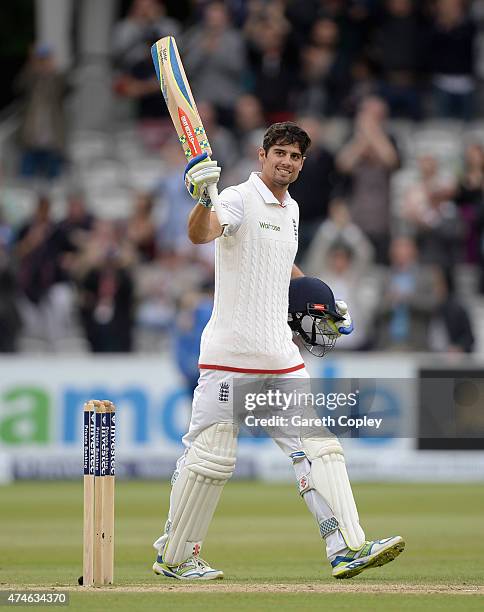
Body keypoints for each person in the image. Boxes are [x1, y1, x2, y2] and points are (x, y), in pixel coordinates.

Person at [151, 122, 405, 580]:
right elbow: (201, 234)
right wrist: (201, 198)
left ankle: (346, 546)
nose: (286, 162)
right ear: (261, 154)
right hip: (231, 357)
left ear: (302, 164)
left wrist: (324, 301)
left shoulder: (293, 210)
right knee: (210, 460)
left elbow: (281, 261)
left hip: (281, 357)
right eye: (280, 153)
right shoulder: (235, 197)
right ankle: (175, 556)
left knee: (318, 450)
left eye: (295, 156)